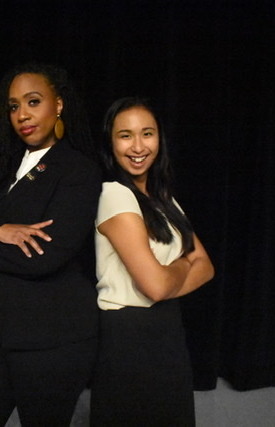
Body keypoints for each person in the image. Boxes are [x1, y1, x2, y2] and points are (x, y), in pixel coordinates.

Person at [0, 63, 101, 426]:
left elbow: (41, 257)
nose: (22, 115)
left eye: (33, 101)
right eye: (14, 106)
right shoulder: (1, 163)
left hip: (51, 337)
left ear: (58, 105)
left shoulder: (78, 171)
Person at [90, 97, 214, 426]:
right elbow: (157, 285)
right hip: (130, 337)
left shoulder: (162, 199)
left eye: (147, 133)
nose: (138, 146)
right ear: (110, 142)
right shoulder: (115, 195)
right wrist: (184, 265)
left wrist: (170, 274)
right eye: (125, 135)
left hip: (167, 329)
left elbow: (207, 265)